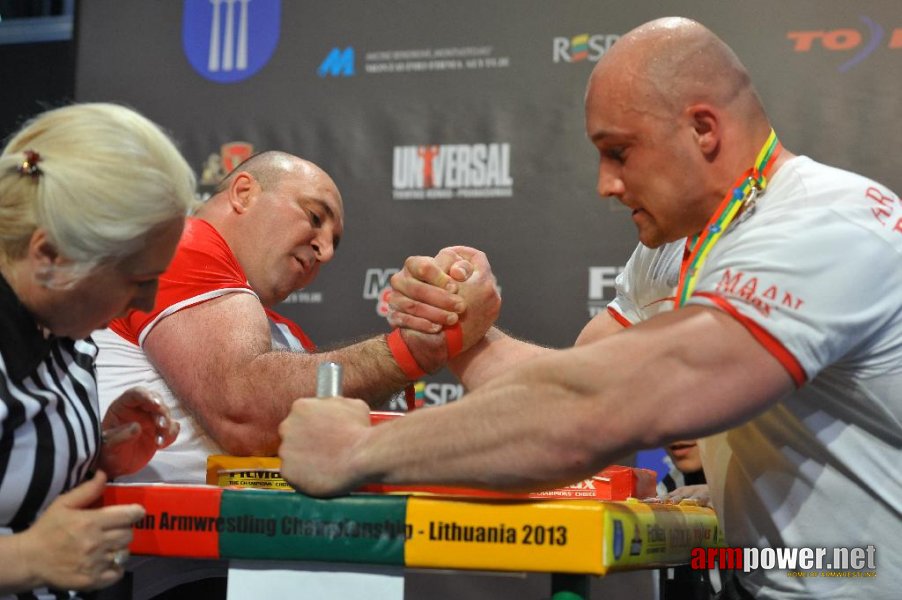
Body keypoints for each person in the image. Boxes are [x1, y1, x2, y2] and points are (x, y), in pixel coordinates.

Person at [277, 17, 901, 599]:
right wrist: (467, 331)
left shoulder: (821, 225)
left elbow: (594, 412)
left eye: (619, 151)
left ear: (704, 129)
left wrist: (357, 450)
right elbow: (570, 383)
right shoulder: (684, 242)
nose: (604, 183)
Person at [94, 150, 492, 486]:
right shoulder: (181, 244)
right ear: (244, 193)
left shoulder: (287, 341)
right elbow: (243, 413)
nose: (326, 251)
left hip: (270, 554)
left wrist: (439, 308)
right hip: (173, 565)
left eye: (335, 241)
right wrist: (412, 351)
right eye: (315, 217)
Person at [0, 103, 192, 598]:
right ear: (50, 256)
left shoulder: (60, 325)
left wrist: (94, 447)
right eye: (136, 280)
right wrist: (25, 559)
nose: (147, 302)